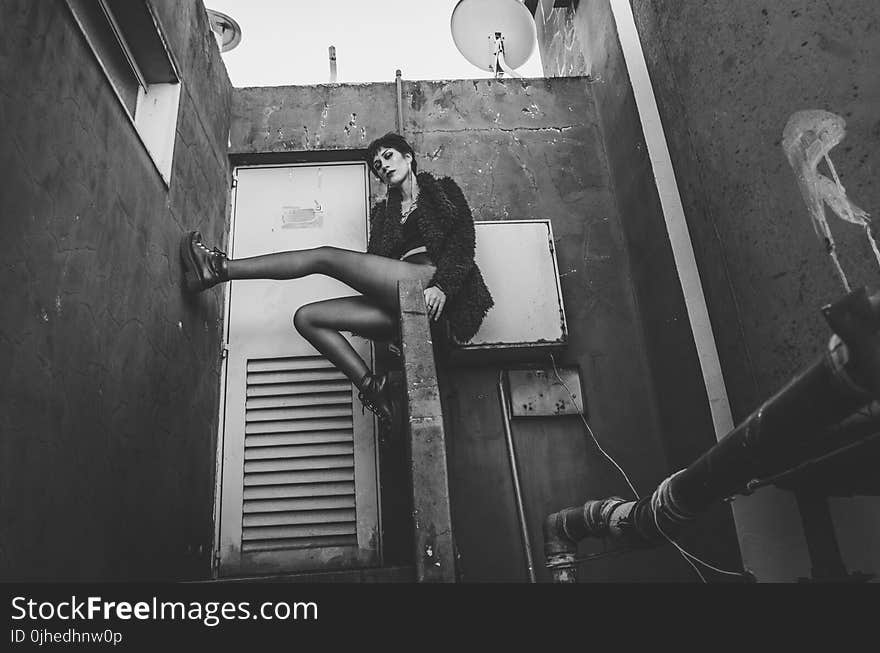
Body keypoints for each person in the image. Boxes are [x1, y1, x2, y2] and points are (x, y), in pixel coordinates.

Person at [180, 132, 493, 423]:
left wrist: (442, 287)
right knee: (307, 318)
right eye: (377, 165)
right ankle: (375, 390)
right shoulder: (385, 214)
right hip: (401, 299)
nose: (382, 166)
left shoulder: (442, 191)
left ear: (409, 157)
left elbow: (464, 243)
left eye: (388, 156)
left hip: (431, 283)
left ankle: (219, 269)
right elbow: (379, 265)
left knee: (324, 257)